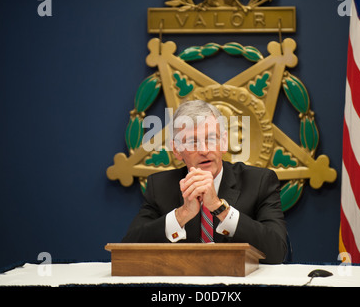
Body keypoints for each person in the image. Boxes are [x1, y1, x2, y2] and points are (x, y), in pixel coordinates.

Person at [122, 100, 287, 264]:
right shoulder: (159, 187)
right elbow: (126, 252)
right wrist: (182, 214)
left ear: (223, 142)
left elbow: (277, 252)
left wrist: (219, 208)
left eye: (211, 139)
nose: (204, 150)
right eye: (193, 142)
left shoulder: (259, 182)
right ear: (177, 150)